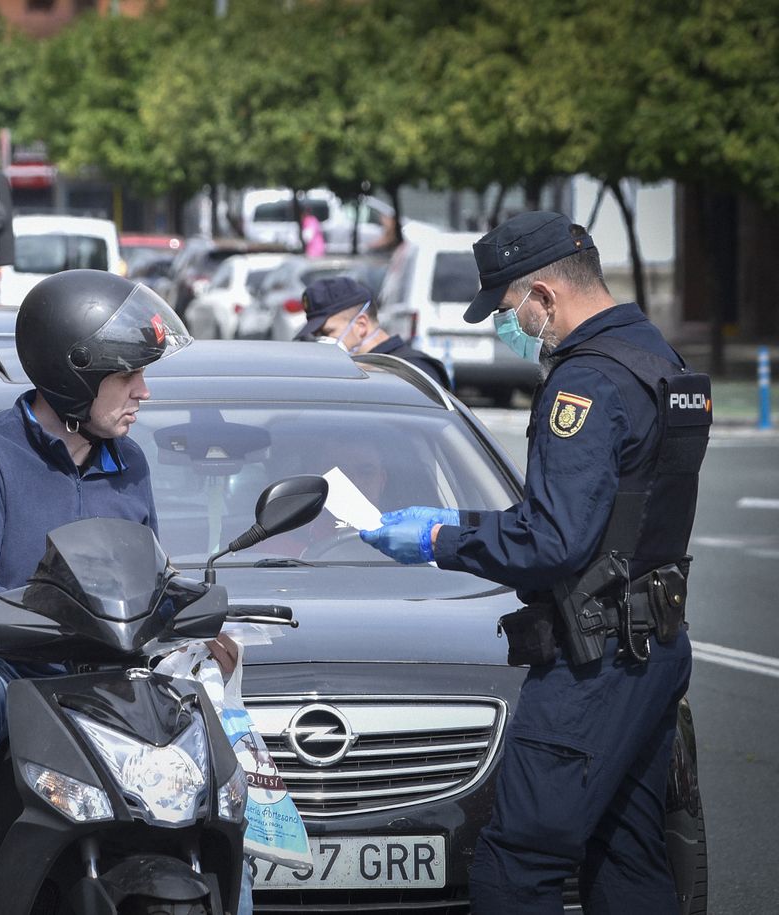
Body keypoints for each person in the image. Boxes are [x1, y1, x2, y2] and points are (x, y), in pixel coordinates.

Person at [358, 212, 708, 913]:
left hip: (594, 664)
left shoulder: (585, 383)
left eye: (511, 307)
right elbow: (616, 517)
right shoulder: (656, 357)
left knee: (517, 865)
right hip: (654, 646)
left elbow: (556, 541)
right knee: (628, 857)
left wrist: (438, 540)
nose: (510, 323)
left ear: (544, 296)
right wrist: (462, 520)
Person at [0, 269, 236, 915]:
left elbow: (148, 574)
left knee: (217, 733)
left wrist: (196, 618)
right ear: (75, 377)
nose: (143, 391)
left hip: (100, 671)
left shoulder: (128, 460)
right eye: (128, 377)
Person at [295, 276, 451, 389]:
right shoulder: (345, 370)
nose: (321, 341)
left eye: (327, 332)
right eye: (316, 335)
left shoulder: (413, 370)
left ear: (361, 324)